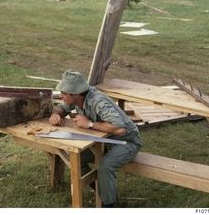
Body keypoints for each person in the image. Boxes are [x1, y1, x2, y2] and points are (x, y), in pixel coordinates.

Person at [49, 70, 142, 207]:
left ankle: (109, 205)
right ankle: (100, 188)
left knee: (105, 166)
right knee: (74, 160)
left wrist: (90, 124)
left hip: (126, 141)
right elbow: (61, 107)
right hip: (105, 141)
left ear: (75, 94)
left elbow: (119, 129)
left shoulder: (97, 101)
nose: (61, 96)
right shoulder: (77, 97)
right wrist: (56, 115)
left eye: (63, 93)